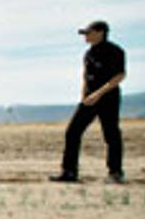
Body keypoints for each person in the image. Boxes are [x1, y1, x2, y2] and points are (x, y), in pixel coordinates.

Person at [50, 20, 127, 183]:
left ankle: (115, 173)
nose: (85, 36)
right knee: (73, 131)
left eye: (88, 32)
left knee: (111, 134)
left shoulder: (115, 51)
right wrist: (84, 96)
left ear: (100, 32)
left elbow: (119, 76)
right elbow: (85, 75)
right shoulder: (89, 53)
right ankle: (69, 172)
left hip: (108, 98)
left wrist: (98, 94)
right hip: (89, 99)